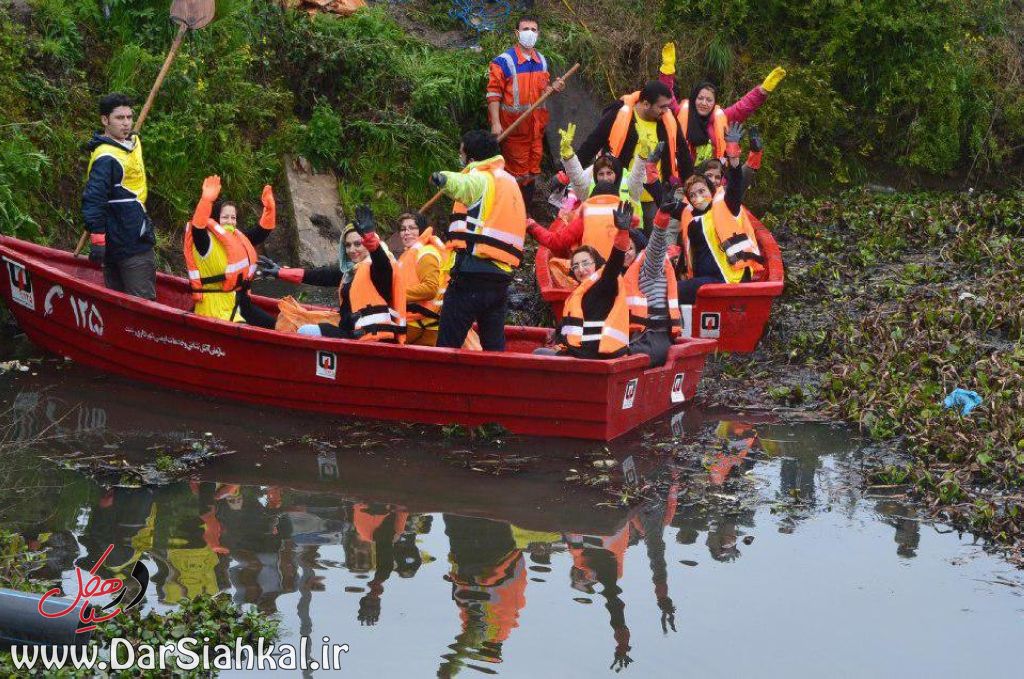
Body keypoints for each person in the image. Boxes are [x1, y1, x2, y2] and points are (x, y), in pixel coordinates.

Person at [429, 130, 527, 351]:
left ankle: (443, 383)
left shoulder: (481, 178)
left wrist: (443, 177)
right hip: (500, 276)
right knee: (493, 346)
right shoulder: (510, 182)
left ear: (471, 159)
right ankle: (495, 384)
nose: (460, 158)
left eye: (461, 154)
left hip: (472, 274)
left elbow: (464, 185)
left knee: (447, 343)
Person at [258, 206, 406, 341]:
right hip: (351, 333)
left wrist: (371, 240)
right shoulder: (349, 272)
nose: (352, 250)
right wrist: (281, 272)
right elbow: (318, 275)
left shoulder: (378, 269)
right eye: (347, 245)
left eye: (358, 244)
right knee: (292, 321)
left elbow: (382, 264)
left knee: (305, 330)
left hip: (373, 339)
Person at [575, 81, 687, 229]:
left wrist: (690, 181)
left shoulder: (667, 120)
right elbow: (592, 143)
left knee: (650, 240)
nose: (666, 111)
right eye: (662, 107)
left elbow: (683, 151)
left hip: (653, 196)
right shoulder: (618, 114)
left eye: (667, 106)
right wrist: (564, 174)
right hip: (622, 194)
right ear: (646, 104)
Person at [528, 143, 666, 258]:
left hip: (617, 250)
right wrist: (569, 158)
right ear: (596, 174)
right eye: (601, 174)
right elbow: (578, 182)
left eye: (609, 173)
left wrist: (533, 226)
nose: (605, 178)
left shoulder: (627, 184)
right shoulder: (628, 219)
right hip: (618, 255)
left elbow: (557, 242)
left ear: (616, 173)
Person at [677, 123, 765, 305]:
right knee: (670, 288)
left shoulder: (726, 204)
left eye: (702, 192)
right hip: (704, 279)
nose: (698, 197)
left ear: (711, 190)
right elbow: (659, 199)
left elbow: (736, 182)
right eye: (693, 195)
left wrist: (733, 154)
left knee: (673, 291)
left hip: (728, 277)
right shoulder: (689, 214)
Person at [658, 41, 785, 163]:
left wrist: (763, 90)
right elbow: (665, 95)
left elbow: (744, 106)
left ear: (714, 103)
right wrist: (667, 70)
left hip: (714, 178)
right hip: (682, 179)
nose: (704, 103)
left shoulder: (722, 116)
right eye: (700, 98)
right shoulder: (680, 112)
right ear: (693, 99)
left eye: (709, 100)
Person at [82, 92, 156, 300]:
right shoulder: (105, 157)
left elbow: (132, 140)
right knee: (134, 303)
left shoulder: (131, 142)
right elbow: (94, 199)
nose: (126, 123)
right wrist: (97, 239)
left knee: (136, 300)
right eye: (119, 118)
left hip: (135, 235)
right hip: (118, 242)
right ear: (105, 120)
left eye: (129, 117)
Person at [486, 16, 563, 207]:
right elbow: (493, 94)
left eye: (533, 29)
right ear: (517, 33)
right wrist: (495, 123)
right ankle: (513, 212)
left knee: (531, 173)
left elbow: (541, 94)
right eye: (525, 28)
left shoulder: (542, 61)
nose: (530, 32)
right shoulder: (504, 62)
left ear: (538, 33)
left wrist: (553, 89)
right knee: (517, 175)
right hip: (514, 130)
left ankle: (525, 216)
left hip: (536, 131)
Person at [183, 176, 277, 328]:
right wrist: (205, 201)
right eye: (225, 217)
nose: (230, 221)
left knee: (277, 326)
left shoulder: (236, 238)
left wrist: (270, 210)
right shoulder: (204, 243)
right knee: (249, 332)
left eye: (233, 217)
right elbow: (197, 228)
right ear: (215, 218)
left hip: (238, 302)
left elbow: (260, 233)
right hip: (214, 308)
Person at [396, 212, 446, 346]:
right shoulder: (411, 254)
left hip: (421, 324)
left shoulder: (426, 253)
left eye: (412, 228)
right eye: (403, 229)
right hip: (416, 322)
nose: (406, 232)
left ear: (422, 230)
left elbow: (431, 289)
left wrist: (395, 294)